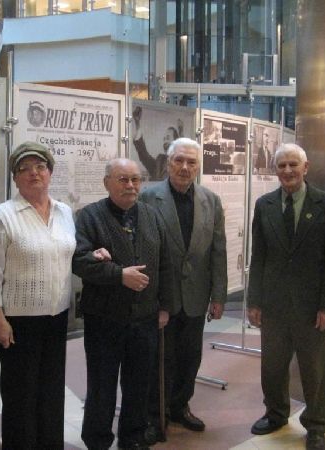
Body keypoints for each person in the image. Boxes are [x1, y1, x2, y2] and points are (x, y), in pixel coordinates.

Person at [247, 143, 325, 450]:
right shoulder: (264, 204)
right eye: (281, 165)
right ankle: (275, 414)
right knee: (272, 366)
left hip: (312, 307)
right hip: (273, 304)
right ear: (274, 169)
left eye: (293, 164)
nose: (287, 171)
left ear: (306, 167)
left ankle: (316, 425)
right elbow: (259, 256)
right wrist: (254, 301)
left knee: (314, 369)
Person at [73, 158, 174, 450]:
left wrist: (165, 306)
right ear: (107, 183)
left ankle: (132, 438)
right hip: (104, 319)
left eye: (135, 179)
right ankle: (97, 440)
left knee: (138, 385)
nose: (130, 185)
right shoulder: (88, 216)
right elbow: (79, 261)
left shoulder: (152, 216)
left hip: (145, 318)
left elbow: (165, 263)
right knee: (101, 386)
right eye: (123, 179)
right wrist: (119, 275)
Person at [0, 142, 76, 449]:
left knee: (51, 392)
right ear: (15, 177)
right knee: (20, 396)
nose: (33, 173)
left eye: (40, 167)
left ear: (50, 172)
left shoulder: (64, 212)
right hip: (18, 321)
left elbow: (67, 253)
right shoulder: (3, 216)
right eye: (24, 169)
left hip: (57, 316)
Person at [140, 138, 227, 443]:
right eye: (179, 160)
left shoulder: (211, 201)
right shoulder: (148, 198)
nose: (184, 167)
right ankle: (155, 415)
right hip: (161, 297)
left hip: (195, 296)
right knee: (160, 359)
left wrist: (218, 296)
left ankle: (180, 407)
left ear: (198, 166)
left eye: (191, 162)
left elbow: (218, 251)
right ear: (168, 163)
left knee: (190, 357)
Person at [132, 105, 182, 181]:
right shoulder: (160, 160)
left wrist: (181, 131)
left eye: (168, 138)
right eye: (164, 139)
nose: (165, 141)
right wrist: (137, 123)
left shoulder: (183, 162)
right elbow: (144, 155)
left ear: (175, 141)